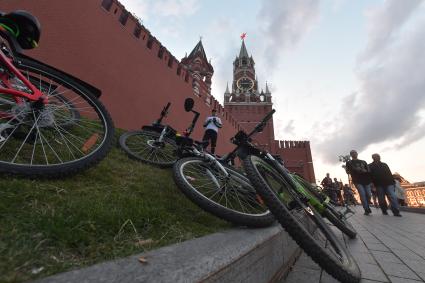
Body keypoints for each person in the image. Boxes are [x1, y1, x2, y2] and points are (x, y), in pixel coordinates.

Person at [345, 150, 373, 215]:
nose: (354, 154)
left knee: (368, 194)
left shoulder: (363, 161)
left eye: (355, 153)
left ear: (357, 154)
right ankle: (366, 209)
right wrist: (350, 170)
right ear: (351, 155)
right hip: (357, 180)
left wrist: (364, 171)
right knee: (362, 194)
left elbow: (369, 170)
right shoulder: (349, 163)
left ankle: (367, 204)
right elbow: (347, 171)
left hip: (366, 180)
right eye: (352, 153)